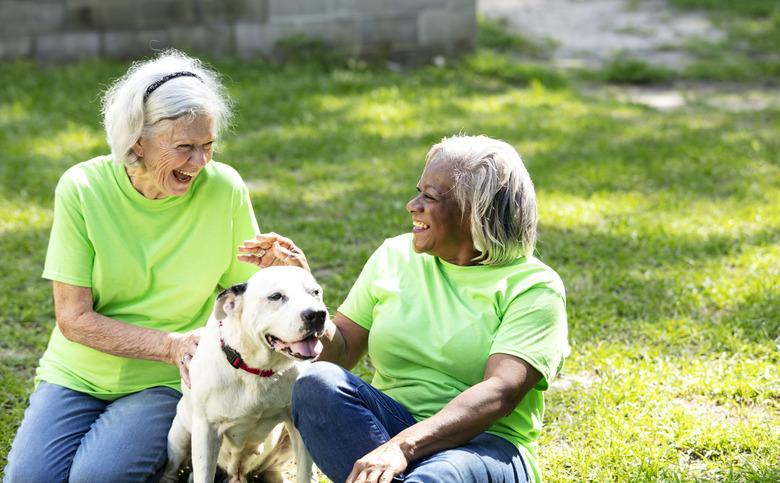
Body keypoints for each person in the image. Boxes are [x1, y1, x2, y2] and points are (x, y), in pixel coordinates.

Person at [3, 49, 306, 483]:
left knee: (97, 479)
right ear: (137, 141)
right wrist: (171, 344)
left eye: (208, 146)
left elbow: (252, 303)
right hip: (76, 372)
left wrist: (286, 274)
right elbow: (73, 319)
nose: (200, 163)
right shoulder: (82, 188)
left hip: (165, 381)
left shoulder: (224, 188)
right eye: (184, 147)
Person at [242, 134, 569, 483]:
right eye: (418, 192)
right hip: (387, 429)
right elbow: (340, 353)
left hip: (485, 446)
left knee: (440, 474)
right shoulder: (394, 256)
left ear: (478, 212)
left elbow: (500, 393)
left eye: (430, 197)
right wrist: (304, 296)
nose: (413, 205)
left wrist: (403, 448)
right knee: (316, 382)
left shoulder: (535, 287)